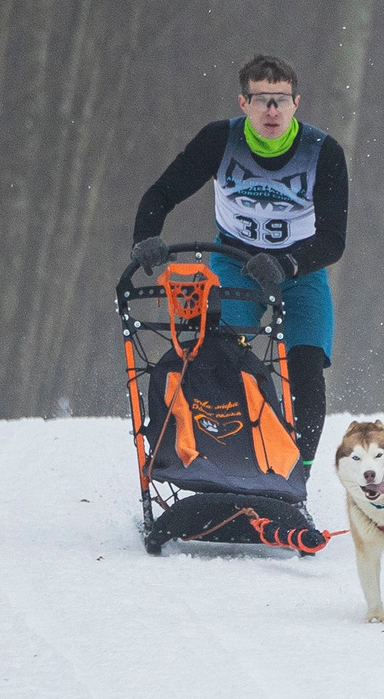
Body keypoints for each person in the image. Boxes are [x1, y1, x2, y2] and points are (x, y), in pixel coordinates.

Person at [131, 54, 346, 468]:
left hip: (300, 270)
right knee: (224, 359)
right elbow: (160, 194)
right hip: (235, 263)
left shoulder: (323, 152)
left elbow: (334, 240)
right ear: (243, 103)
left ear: (296, 104)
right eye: (261, 99)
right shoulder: (220, 140)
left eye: (280, 100)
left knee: (305, 369)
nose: (271, 110)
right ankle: (229, 465)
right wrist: (146, 237)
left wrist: (286, 264)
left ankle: (294, 476)